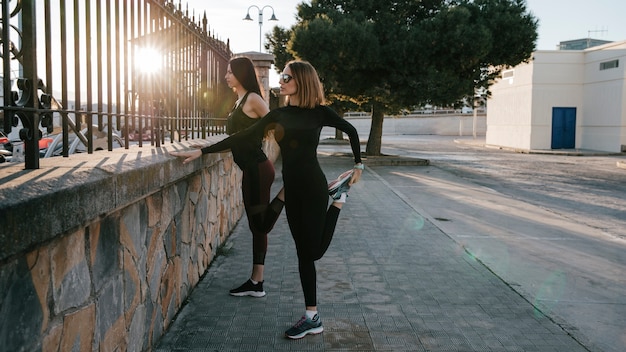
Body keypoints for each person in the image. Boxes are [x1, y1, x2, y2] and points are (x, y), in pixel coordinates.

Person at [172, 60, 363, 339]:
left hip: (312, 187)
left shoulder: (320, 113)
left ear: (302, 81)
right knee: (302, 254)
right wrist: (202, 152)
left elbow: (352, 131)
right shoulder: (279, 115)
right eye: (281, 76)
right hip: (292, 188)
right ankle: (312, 316)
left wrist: (359, 164)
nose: (281, 80)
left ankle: (338, 200)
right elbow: (241, 136)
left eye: (286, 76)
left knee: (314, 252)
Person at [170, 56, 284, 298]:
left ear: (241, 74)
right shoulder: (239, 100)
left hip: (258, 169)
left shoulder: (253, 99)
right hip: (251, 170)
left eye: (230, 72)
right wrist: (201, 151)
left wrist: (203, 150)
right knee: (257, 226)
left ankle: (257, 281)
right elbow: (234, 142)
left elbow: (276, 125)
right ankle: (256, 282)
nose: (226, 76)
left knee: (259, 226)